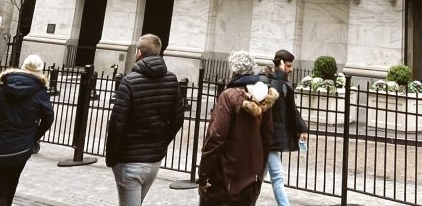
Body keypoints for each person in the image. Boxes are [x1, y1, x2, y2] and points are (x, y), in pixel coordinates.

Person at [105, 33, 185, 206]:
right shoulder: (172, 80)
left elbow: (117, 124)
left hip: (129, 161)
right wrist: (160, 144)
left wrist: (111, 157)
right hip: (153, 161)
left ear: (139, 53)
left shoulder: (129, 81)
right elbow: (178, 119)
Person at [198, 50, 278, 206]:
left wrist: (203, 175)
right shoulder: (264, 96)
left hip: (226, 176)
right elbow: (268, 137)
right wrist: (259, 173)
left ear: (233, 70)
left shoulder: (229, 95)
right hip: (251, 178)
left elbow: (215, 137)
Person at [0, 54, 53, 206]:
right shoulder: (41, 91)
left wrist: (1, 127)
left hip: (1, 143)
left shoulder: (5, 84)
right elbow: (48, 119)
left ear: (22, 66)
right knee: (12, 183)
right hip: (22, 146)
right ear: (40, 71)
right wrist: (34, 135)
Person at [262, 50, 308, 206]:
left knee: (258, 176)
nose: (291, 69)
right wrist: (280, 72)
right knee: (277, 176)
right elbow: (273, 96)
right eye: (288, 66)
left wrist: (302, 128)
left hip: (273, 136)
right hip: (269, 135)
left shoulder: (283, 83)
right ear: (280, 64)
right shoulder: (271, 82)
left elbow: (292, 108)